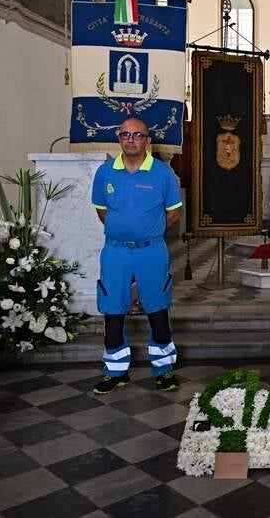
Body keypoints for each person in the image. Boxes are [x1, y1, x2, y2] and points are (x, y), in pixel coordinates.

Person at [89, 117, 183, 394]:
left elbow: (174, 210)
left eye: (137, 135)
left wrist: (149, 231)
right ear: (119, 138)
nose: (130, 139)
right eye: (125, 135)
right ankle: (115, 372)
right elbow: (101, 210)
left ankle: (164, 371)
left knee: (157, 310)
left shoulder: (162, 173)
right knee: (112, 311)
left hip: (151, 251)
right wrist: (123, 231)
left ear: (147, 140)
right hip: (116, 252)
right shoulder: (105, 173)